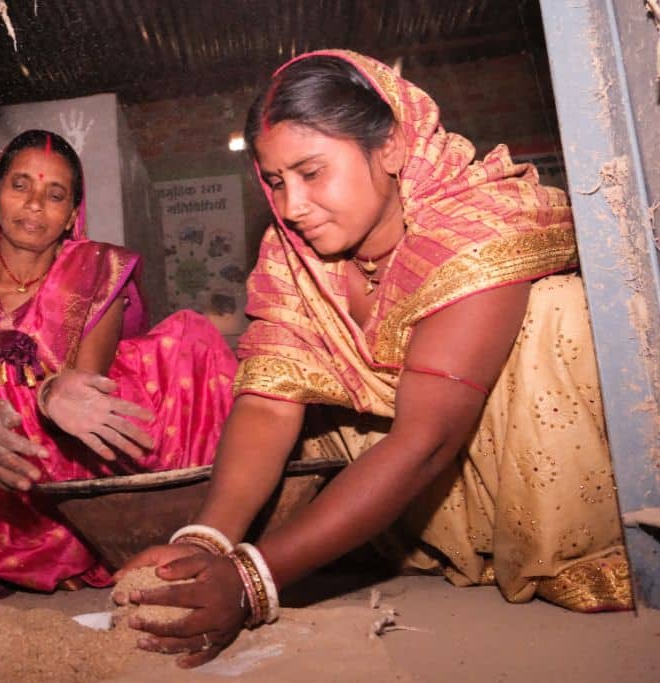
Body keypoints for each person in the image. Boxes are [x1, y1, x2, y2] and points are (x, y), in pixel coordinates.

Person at [118, 50, 631, 668]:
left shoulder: (478, 221)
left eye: (311, 172)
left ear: (389, 147)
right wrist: (206, 540)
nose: (291, 206)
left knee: (557, 308)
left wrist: (253, 580)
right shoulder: (294, 253)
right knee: (310, 400)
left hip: (495, 463)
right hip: (414, 498)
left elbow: (428, 441)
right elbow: (266, 405)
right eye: (276, 182)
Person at [0, 130, 237, 600]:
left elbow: (85, 390)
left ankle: (193, 529)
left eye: (55, 195)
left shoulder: (97, 270)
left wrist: (49, 394)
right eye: (20, 186)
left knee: (189, 341)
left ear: (72, 215)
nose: (35, 204)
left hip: (74, 438)